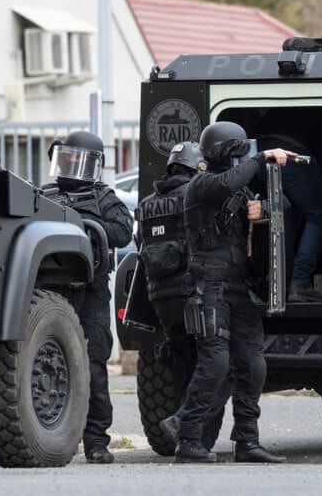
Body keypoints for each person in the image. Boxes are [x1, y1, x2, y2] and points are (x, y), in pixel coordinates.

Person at [173, 121, 289, 464]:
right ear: (224, 152)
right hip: (208, 285)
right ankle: (187, 437)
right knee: (216, 362)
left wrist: (262, 210)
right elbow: (226, 183)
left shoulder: (238, 188)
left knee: (253, 364)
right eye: (238, 152)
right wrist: (262, 157)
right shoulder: (202, 184)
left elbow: (283, 206)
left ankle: (247, 441)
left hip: (237, 286)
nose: (241, 159)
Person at [42, 130, 133, 464]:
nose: (72, 166)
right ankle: (52, 435)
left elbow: (123, 231)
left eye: (78, 160)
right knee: (48, 362)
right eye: (67, 158)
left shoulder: (103, 197)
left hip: (91, 291)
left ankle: (96, 441)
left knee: (93, 365)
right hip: (52, 292)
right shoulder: (45, 195)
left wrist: (85, 222)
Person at [137, 141, 227, 451]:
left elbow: (140, 243)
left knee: (185, 366)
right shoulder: (194, 195)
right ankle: (191, 431)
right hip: (192, 292)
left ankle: (190, 441)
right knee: (214, 366)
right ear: (197, 167)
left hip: (160, 297)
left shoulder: (147, 203)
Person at [255, 111, 322, 303]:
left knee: (285, 214)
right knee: (319, 217)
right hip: (293, 153)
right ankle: (300, 282)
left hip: (263, 152)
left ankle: (278, 281)